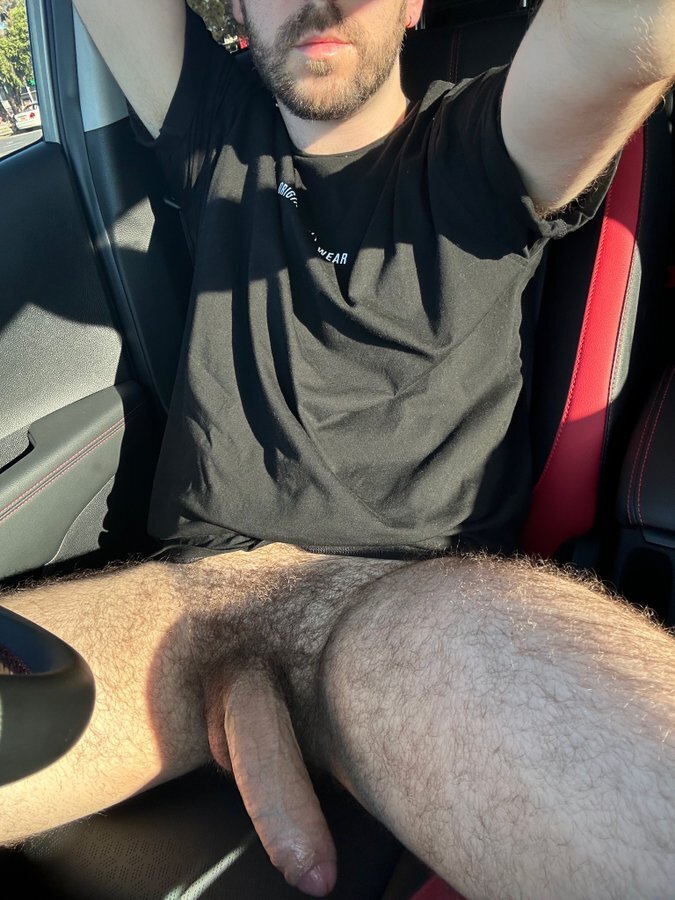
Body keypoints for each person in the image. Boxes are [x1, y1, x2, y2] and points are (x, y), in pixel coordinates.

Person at [1, 0, 674, 897]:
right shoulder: (214, 125)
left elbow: (626, 28)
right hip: (190, 602)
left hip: (410, 610)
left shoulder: (484, 142)